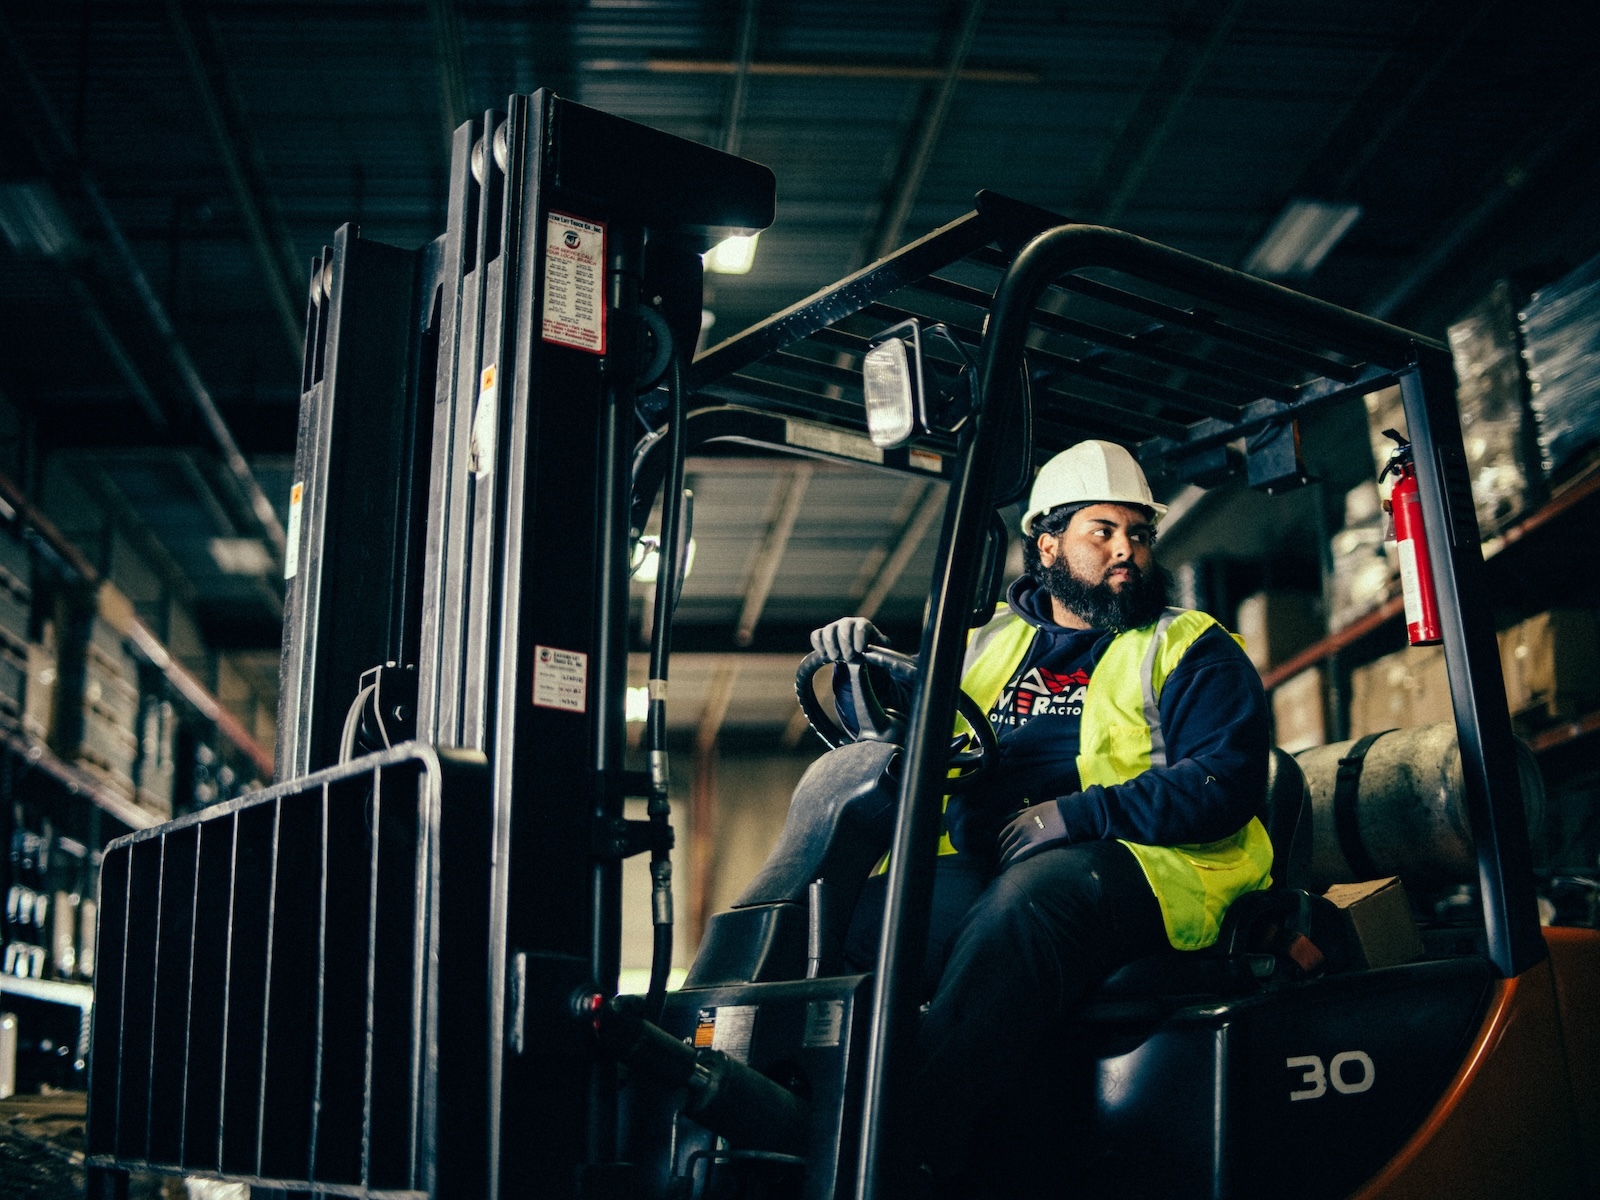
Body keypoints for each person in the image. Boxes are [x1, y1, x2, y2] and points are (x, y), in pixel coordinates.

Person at [810, 439, 1273, 1192]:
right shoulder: (982, 643)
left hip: (1153, 866)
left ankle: (902, 1155)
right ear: (1048, 543)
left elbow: (1225, 782)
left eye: (1139, 534)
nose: (1127, 551)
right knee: (849, 924)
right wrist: (864, 692)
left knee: (1033, 908)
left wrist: (1079, 815)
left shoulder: (1190, 647)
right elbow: (914, 756)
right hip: (997, 857)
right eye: (1104, 532)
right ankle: (788, 1126)